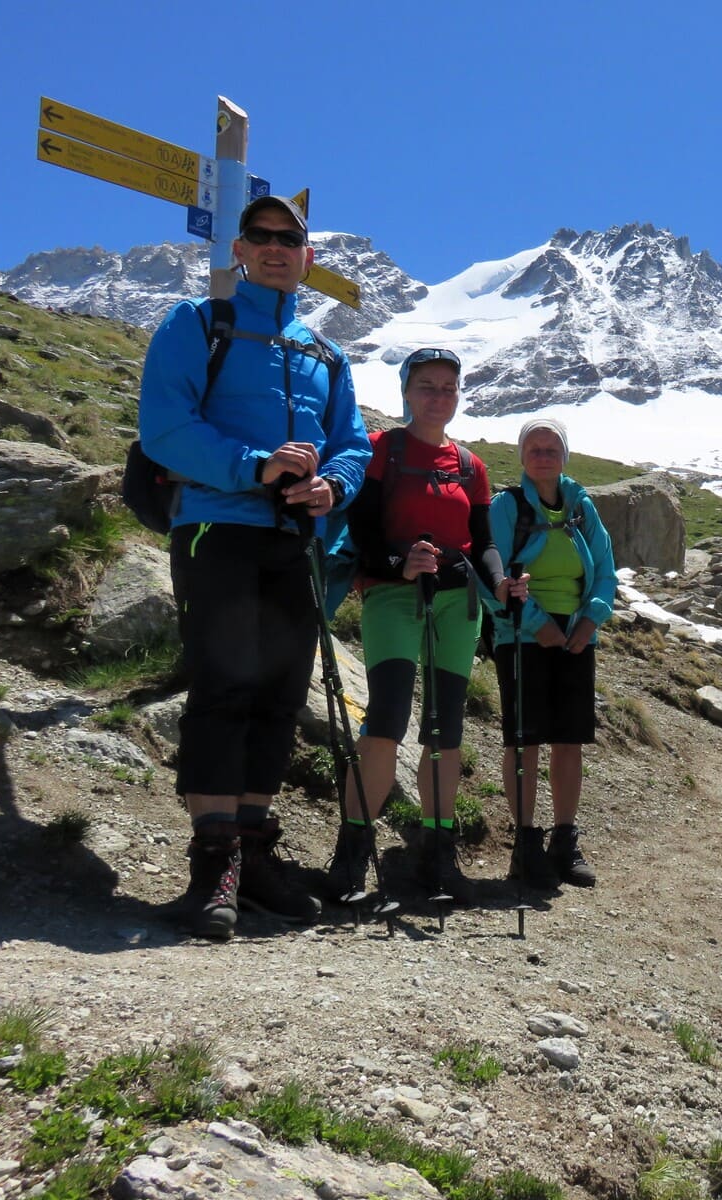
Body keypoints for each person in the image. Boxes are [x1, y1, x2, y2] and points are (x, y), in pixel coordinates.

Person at [139, 195, 371, 940]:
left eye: (289, 238)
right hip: (217, 528)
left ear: (308, 257)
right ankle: (214, 866)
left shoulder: (326, 355)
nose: (275, 247)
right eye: (260, 236)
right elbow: (165, 428)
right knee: (224, 685)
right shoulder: (197, 324)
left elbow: (353, 444)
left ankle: (252, 850)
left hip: (296, 543)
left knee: (278, 693)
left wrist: (332, 486)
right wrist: (256, 465)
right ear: (238, 250)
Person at [323, 347, 521, 904]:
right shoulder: (381, 449)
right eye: (427, 386)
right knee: (385, 720)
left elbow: (483, 543)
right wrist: (399, 563)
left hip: (458, 604)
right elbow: (363, 532)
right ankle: (352, 856)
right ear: (406, 392)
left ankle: (438, 855)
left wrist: (499, 582)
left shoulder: (470, 466)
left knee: (446, 729)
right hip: (391, 596)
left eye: (448, 387)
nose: (438, 396)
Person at [482, 418, 616, 888]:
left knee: (568, 738)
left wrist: (591, 619)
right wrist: (537, 624)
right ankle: (525, 844)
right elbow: (491, 573)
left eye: (551, 448)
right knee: (525, 740)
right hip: (521, 632)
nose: (543, 456)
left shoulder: (581, 504)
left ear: (565, 456)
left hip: (576, 632)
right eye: (534, 448)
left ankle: (563, 839)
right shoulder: (506, 506)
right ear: (522, 456)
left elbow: (605, 568)